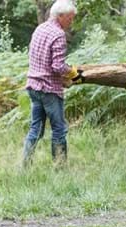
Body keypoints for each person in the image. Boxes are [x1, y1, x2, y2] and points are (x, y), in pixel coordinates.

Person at [22, 0, 82, 166]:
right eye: (70, 18)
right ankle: (60, 166)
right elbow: (57, 66)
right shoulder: (58, 34)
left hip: (33, 86)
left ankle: (25, 165)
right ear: (60, 16)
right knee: (59, 129)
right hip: (49, 89)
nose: (71, 21)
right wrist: (73, 72)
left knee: (35, 129)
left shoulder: (40, 28)